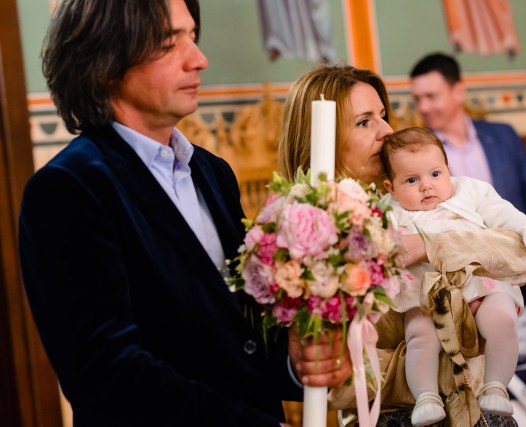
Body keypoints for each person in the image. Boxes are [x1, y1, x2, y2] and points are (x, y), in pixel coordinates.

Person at [18, 1, 350, 426]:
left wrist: (295, 363)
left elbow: (238, 335)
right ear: (106, 61)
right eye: (169, 42)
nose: (198, 59)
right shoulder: (69, 188)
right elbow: (107, 374)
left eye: (192, 36)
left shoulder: (212, 172)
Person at [278, 64, 526, 427]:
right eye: (364, 122)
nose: (387, 130)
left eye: (383, 115)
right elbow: (344, 376)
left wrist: (426, 246)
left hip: (475, 406)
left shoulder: (436, 199)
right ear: (322, 138)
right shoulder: (309, 231)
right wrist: (451, 345)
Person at [380, 127, 526, 425]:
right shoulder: (389, 211)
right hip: (425, 293)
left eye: (435, 174)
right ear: (390, 187)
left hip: (481, 282)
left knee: (502, 320)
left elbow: (504, 213)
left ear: (448, 169)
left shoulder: (471, 190)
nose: (426, 186)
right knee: (419, 335)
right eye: (411, 180)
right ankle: (426, 397)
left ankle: (496, 386)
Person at [408, 52, 526, 234]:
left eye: (431, 96)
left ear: (458, 92)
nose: (423, 107)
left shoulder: (504, 135)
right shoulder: (416, 153)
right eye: (418, 99)